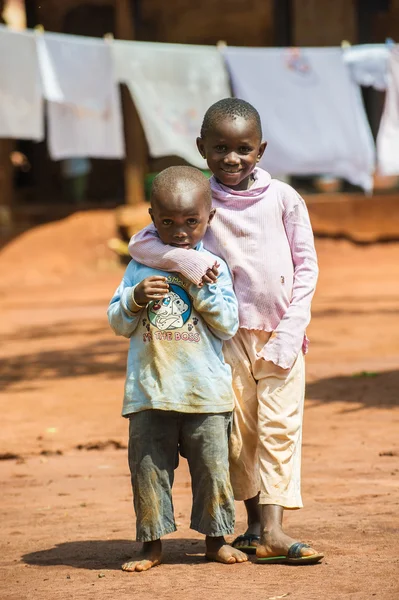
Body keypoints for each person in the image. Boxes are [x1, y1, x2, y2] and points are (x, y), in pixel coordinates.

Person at [128, 98, 324, 565]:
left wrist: (290, 332)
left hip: (281, 334)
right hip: (222, 337)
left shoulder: (284, 198)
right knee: (240, 435)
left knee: (279, 429)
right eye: (219, 148)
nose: (231, 158)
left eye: (243, 148)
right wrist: (186, 259)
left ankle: (274, 529)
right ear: (201, 148)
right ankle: (256, 525)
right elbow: (142, 240)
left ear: (261, 150)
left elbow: (306, 268)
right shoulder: (199, 199)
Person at [108, 165, 248, 572]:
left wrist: (197, 288)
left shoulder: (213, 268)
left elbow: (227, 324)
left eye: (191, 221)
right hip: (151, 391)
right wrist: (134, 297)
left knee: (213, 471)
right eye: (168, 222)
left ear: (210, 218)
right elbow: (118, 322)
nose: (181, 231)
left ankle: (216, 539)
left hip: (205, 393)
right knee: (149, 471)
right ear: (153, 218)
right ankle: (151, 545)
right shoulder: (139, 267)